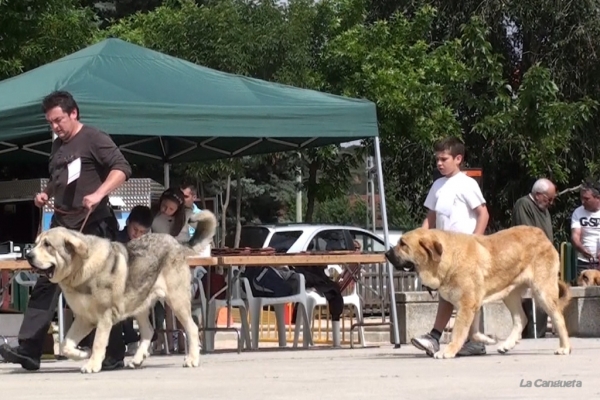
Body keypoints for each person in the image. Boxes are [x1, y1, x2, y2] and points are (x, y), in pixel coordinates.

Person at [0, 91, 132, 371]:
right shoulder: (57, 145)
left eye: (58, 120)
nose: (55, 127)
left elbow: (122, 168)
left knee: (101, 291)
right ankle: (29, 350)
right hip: (61, 229)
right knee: (46, 284)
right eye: (50, 122)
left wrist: (98, 193)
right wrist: (45, 194)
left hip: (94, 227)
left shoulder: (95, 137)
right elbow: (58, 177)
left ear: (74, 113)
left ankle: (113, 353)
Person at [410, 137, 489, 357]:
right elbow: (431, 218)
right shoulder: (438, 185)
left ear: (458, 158)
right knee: (449, 292)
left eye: (444, 159)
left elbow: (483, 213)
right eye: (437, 159)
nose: (439, 163)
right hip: (445, 251)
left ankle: (448, 338)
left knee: (466, 295)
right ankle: (441, 338)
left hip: (465, 250)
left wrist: (476, 241)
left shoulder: (467, 184)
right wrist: (419, 242)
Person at [511, 178, 556, 339]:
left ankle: (540, 333)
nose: (550, 202)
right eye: (548, 198)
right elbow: (527, 235)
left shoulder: (544, 208)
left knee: (543, 298)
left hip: (544, 262)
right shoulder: (524, 205)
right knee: (531, 300)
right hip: (530, 263)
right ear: (538, 195)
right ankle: (531, 334)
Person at [114, 205, 153, 354]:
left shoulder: (147, 243)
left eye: (142, 232)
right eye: (135, 230)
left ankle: (149, 337)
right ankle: (131, 339)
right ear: (128, 222)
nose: (137, 234)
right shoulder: (117, 239)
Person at [570, 180, 600, 276]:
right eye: (581, 198)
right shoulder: (578, 212)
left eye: (587, 199)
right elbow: (575, 236)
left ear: (597, 198)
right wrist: (582, 249)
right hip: (584, 262)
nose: (583, 202)